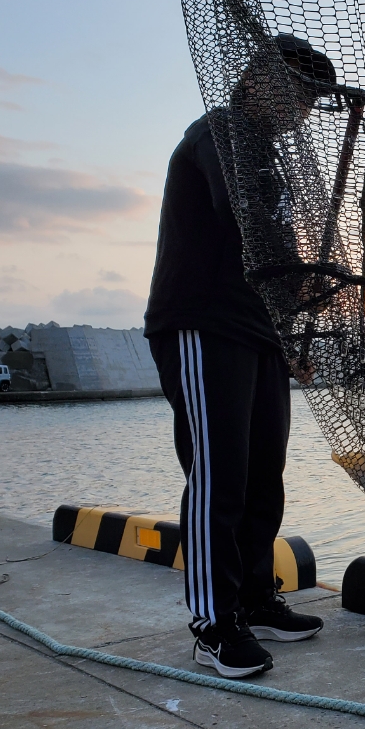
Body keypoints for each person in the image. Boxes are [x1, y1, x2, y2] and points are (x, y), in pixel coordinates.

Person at [144, 35, 334, 678]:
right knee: (217, 476)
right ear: (257, 81)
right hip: (201, 324)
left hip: (256, 331)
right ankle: (213, 623)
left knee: (262, 476)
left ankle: (255, 600)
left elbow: (270, 256)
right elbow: (247, 223)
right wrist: (301, 275)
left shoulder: (267, 154)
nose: (302, 110)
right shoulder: (219, 133)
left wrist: (289, 334)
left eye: (310, 101)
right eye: (297, 92)